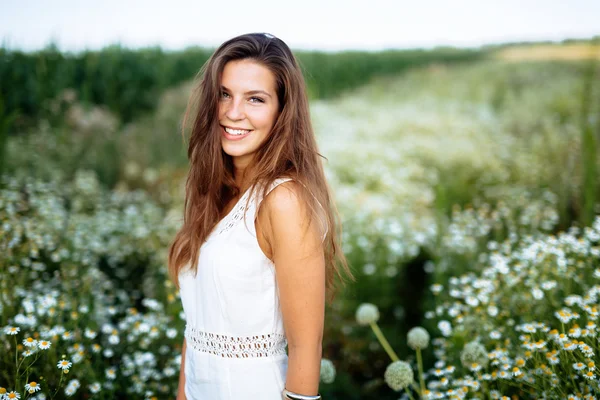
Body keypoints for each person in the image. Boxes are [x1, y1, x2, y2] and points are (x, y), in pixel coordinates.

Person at [167, 32, 354, 400]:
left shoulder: (283, 200)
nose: (233, 112)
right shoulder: (213, 192)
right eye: (224, 94)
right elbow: (197, 330)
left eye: (255, 99)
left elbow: (305, 347)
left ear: (282, 111)